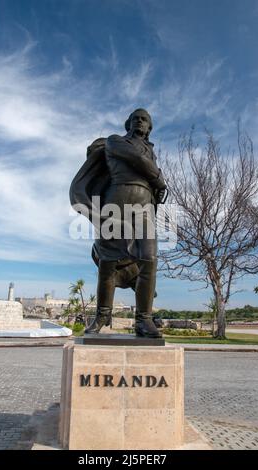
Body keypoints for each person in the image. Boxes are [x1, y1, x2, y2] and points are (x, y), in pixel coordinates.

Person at [84, 108, 167, 338]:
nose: (140, 121)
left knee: (149, 259)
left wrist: (155, 191)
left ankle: (144, 320)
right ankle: (101, 316)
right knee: (109, 261)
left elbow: (145, 163)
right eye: (136, 118)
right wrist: (159, 179)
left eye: (145, 120)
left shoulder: (151, 151)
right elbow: (137, 159)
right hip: (116, 203)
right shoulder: (115, 141)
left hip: (144, 208)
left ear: (149, 128)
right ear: (128, 123)